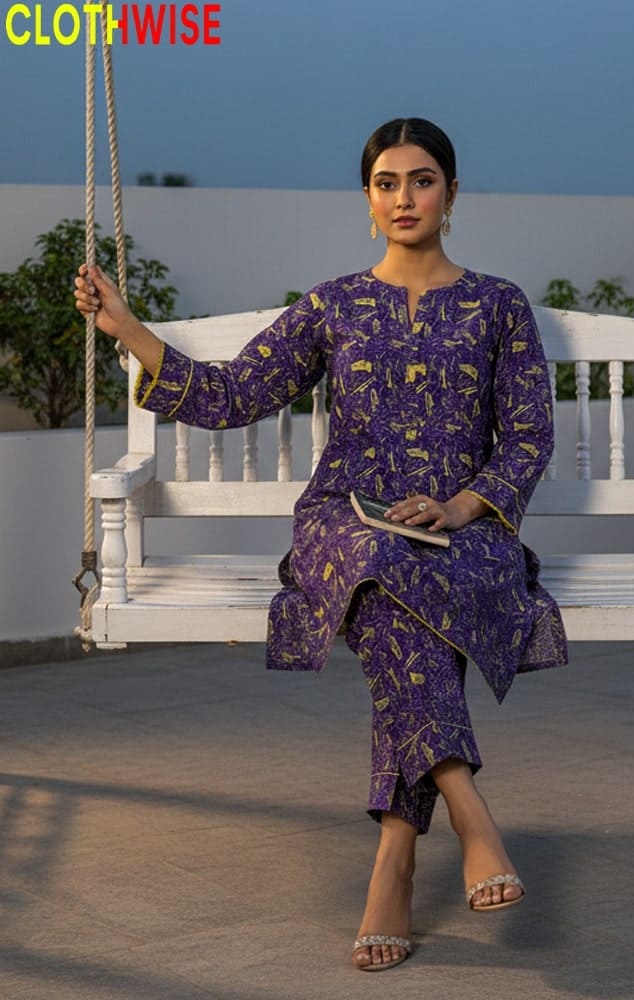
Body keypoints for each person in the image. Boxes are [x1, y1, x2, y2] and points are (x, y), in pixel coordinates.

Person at [74, 117, 568, 972]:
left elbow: (527, 438)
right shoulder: (334, 305)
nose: (403, 197)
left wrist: (456, 509)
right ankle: (465, 803)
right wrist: (127, 329)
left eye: (420, 180)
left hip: (462, 527)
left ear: (452, 194)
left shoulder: (499, 305)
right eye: (386, 182)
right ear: (367, 199)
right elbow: (233, 394)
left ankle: (396, 859)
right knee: (375, 564)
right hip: (347, 519)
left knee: (399, 600)